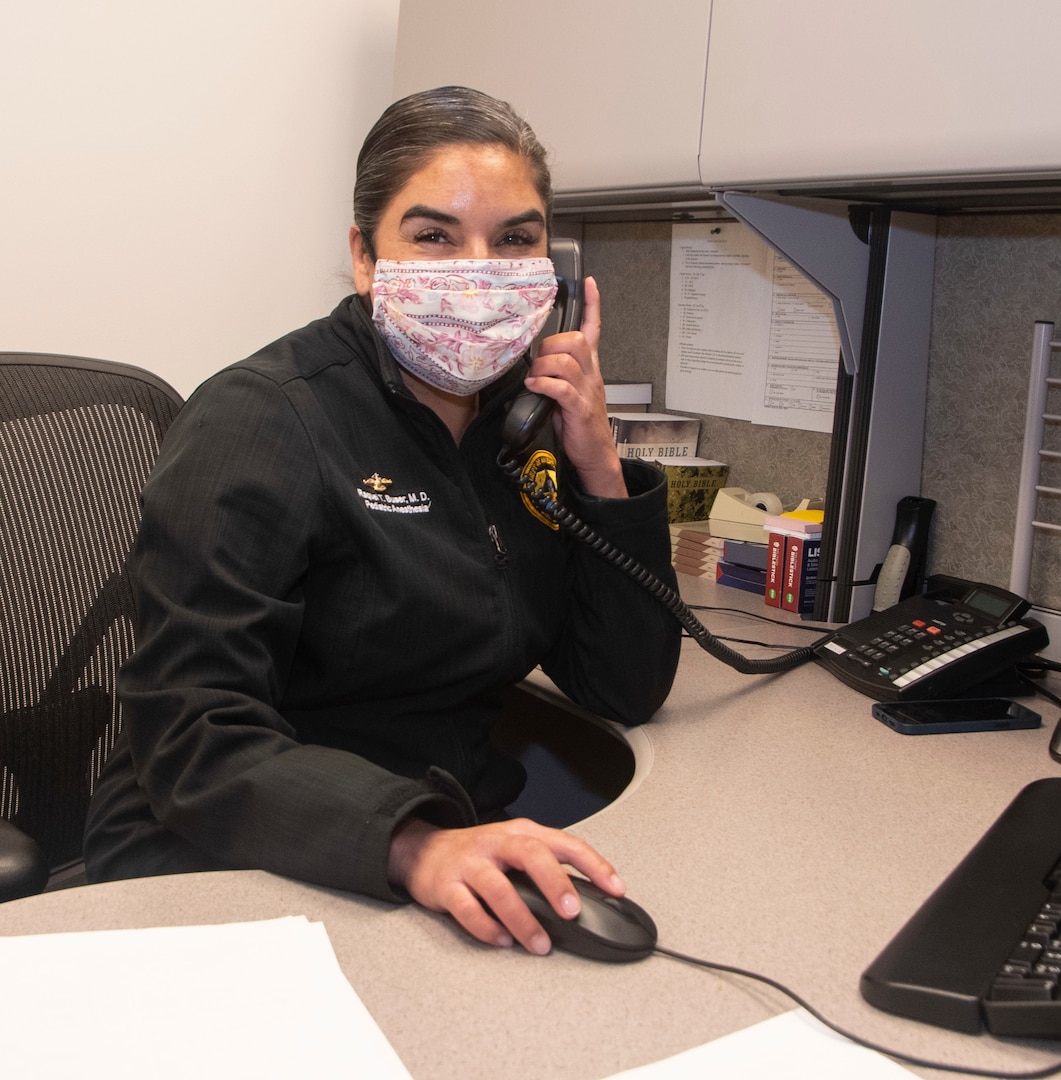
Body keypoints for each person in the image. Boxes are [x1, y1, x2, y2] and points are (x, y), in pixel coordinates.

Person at [83, 86, 681, 955]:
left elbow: (623, 686)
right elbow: (189, 735)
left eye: (514, 239)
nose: (477, 270)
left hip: (448, 841)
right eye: (434, 235)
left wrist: (596, 460)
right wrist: (413, 844)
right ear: (365, 256)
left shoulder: (517, 425)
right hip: (228, 852)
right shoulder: (260, 419)